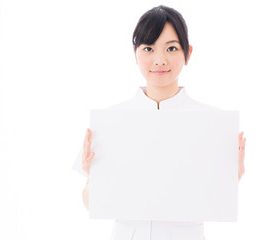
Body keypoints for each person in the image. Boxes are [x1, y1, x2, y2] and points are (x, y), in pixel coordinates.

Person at [72, 5, 246, 240]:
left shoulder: (211, 122)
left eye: (171, 48)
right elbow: (91, 204)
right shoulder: (111, 121)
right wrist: (94, 178)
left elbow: (215, 201)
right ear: (135, 53)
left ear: (188, 53)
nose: (160, 60)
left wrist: (228, 177)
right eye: (148, 48)